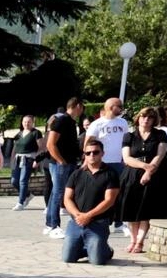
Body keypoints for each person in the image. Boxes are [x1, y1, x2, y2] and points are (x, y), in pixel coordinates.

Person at [118, 106, 167, 253]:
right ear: (138, 118)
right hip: (132, 174)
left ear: (154, 120)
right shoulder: (129, 136)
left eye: (150, 117)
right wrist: (145, 167)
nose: (146, 120)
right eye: (144, 116)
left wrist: (149, 172)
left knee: (146, 209)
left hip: (154, 174)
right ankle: (132, 240)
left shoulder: (160, 135)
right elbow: (127, 158)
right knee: (131, 210)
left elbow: (160, 155)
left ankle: (140, 241)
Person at [61, 136, 121, 266]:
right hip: (76, 222)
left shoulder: (111, 174)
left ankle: (105, 250)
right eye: (88, 153)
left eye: (96, 152)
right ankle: (91, 248)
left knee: (97, 261)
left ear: (102, 154)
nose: (92, 155)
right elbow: (67, 198)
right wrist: (78, 215)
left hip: (98, 223)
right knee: (67, 258)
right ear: (85, 155)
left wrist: (88, 215)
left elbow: (109, 200)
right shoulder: (77, 174)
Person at [44, 97, 85, 238]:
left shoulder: (71, 122)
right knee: (59, 193)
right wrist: (61, 160)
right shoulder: (61, 120)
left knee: (56, 193)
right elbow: (50, 144)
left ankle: (49, 224)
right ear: (78, 106)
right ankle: (54, 225)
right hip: (60, 163)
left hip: (68, 161)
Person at [85, 97, 128, 229]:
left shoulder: (123, 123)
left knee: (120, 193)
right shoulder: (97, 124)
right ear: (110, 107)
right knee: (101, 194)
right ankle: (100, 219)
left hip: (119, 162)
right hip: (102, 163)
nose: (121, 108)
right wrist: (88, 160)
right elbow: (88, 143)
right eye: (119, 106)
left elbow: (126, 141)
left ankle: (119, 222)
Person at [9, 115, 42, 209]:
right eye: (24, 122)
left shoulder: (36, 133)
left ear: (32, 122)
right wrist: (12, 159)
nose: (26, 124)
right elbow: (15, 148)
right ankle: (27, 194)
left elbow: (41, 147)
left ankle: (21, 202)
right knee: (14, 181)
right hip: (18, 159)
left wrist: (37, 160)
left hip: (29, 159)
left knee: (23, 181)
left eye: (29, 122)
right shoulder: (19, 134)